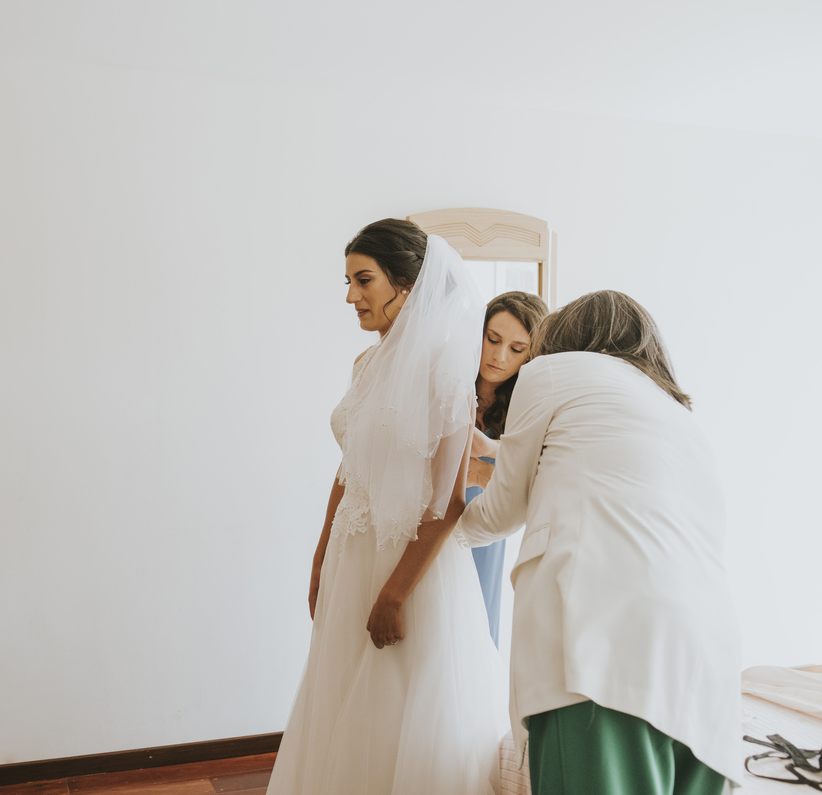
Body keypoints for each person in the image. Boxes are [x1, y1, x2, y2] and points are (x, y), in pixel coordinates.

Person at [453, 290, 742, 795]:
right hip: (706, 663)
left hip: (601, 643)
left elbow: (499, 513)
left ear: (560, 340)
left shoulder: (550, 374)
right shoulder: (676, 413)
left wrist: (428, 524)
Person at [267, 219, 507, 795]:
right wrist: (322, 556)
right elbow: (349, 470)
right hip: (355, 555)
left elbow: (448, 500)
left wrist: (395, 593)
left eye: (363, 280)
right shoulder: (365, 366)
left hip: (410, 569)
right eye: (349, 281)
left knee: (403, 707)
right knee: (343, 701)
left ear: (408, 283)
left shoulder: (447, 372)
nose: (351, 296)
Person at [466, 292, 549, 646]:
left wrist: (491, 452)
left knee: (473, 632)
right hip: (425, 521)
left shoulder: (529, 404)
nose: (499, 357)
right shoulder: (446, 386)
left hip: (483, 532)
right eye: (493, 340)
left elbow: (538, 466)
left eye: (516, 349)